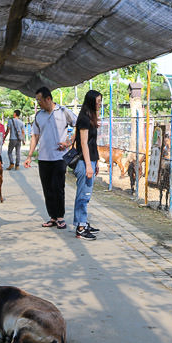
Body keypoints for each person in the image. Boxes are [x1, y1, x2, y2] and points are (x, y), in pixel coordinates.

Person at [24, 86, 75, 229]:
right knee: (47, 189)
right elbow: (35, 135)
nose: (38, 103)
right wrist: (29, 156)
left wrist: (69, 142)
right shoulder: (39, 115)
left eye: (39, 100)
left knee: (58, 187)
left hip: (59, 157)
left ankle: (60, 217)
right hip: (43, 158)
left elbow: (79, 125)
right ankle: (52, 217)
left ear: (48, 99)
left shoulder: (63, 112)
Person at [72, 90, 103, 240]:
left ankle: (82, 222)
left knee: (86, 195)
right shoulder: (84, 119)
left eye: (100, 101)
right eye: (97, 102)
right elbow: (83, 143)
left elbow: (92, 143)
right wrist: (88, 165)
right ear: (90, 102)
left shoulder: (90, 118)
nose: (99, 104)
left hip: (90, 160)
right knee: (83, 195)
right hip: (84, 162)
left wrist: (95, 162)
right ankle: (81, 228)